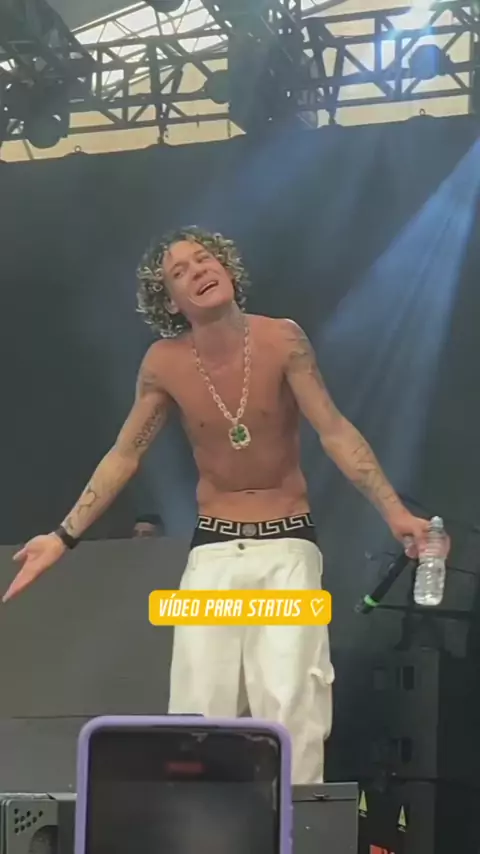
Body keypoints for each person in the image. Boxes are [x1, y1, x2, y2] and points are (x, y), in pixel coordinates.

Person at [3, 226, 436, 784]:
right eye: (179, 272)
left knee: (291, 703)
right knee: (199, 709)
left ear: (227, 268)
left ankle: (296, 827)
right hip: (213, 556)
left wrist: (395, 512)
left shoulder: (282, 339)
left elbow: (334, 431)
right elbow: (125, 455)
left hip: (287, 551)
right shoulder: (164, 363)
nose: (198, 271)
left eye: (204, 259)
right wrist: (62, 537)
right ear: (171, 302)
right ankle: (200, 825)